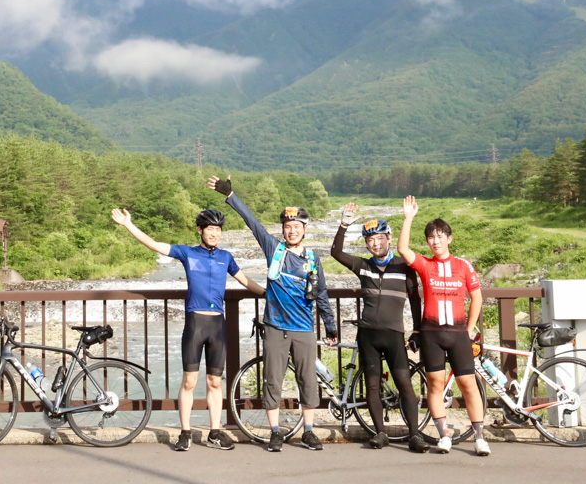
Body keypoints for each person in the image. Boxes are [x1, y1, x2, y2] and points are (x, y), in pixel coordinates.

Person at [111, 206, 266, 451]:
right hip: (195, 323)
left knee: (215, 382)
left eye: (217, 229)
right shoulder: (187, 253)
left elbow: (245, 280)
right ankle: (185, 432)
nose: (214, 233)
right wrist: (128, 225)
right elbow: (153, 244)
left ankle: (215, 432)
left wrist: (269, 294)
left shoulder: (226, 257)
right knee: (189, 381)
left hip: (217, 324)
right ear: (200, 230)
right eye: (210, 229)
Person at [207, 175, 337, 453]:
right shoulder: (274, 249)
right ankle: (276, 432)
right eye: (288, 227)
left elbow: (322, 294)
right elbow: (252, 223)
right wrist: (231, 196)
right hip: (276, 326)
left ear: (304, 229)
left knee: (307, 380)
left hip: (303, 327)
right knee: (273, 380)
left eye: (297, 226)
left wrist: (330, 327)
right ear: (284, 229)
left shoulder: (313, 259)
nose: (292, 231)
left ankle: (309, 432)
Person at [396, 195, 490, 457]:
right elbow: (403, 249)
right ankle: (444, 435)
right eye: (430, 237)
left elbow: (477, 297)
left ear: (449, 238)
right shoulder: (425, 265)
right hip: (432, 334)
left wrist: (470, 329)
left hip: (459, 334)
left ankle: (480, 438)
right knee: (435, 384)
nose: (435, 241)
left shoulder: (463, 265)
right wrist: (408, 219)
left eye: (439, 236)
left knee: (468, 384)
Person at [331, 203, 428, 453]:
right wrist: (344, 225)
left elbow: (415, 299)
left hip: (394, 334)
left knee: (404, 383)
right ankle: (380, 433)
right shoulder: (363, 266)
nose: (375, 244)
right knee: (372, 385)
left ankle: (415, 435)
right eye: (370, 240)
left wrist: (417, 330)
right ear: (366, 244)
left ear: (389, 238)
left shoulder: (403, 266)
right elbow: (336, 253)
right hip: (368, 335)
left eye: (379, 238)